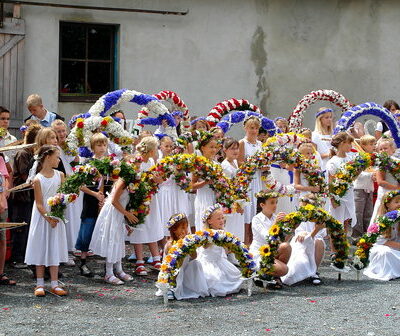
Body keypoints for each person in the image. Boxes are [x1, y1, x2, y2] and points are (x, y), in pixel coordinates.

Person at [24, 145, 68, 296]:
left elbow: (62, 196)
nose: (59, 159)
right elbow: (39, 203)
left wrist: (60, 211)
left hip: (56, 216)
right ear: (48, 157)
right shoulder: (38, 179)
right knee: (41, 247)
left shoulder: (60, 175)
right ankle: (40, 283)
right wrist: (48, 218)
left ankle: (55, 284)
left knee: (54, 247)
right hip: (43, 217)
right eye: (57, 156)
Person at [90, 174, 138, 285]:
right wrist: (127, 214)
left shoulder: (134, 182)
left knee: (118, 239)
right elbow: (114, 201)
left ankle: (119, 269)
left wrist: (127, 220)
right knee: (112, 239)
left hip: (120, 213)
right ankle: (109, 273)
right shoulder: (123, 181)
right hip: (113, 213)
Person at [128, 136, 164, 275]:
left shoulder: (150, 161)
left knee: (152, 224)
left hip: (151, 197)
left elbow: (157, 178)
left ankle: (155, 258)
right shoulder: (136, 160)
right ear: (150, 149)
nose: (157, 151)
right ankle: (139, 261)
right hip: (139, 198)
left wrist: (156, 179)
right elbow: (134, 180)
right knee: (139, 226)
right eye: (155, 148)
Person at [75, 133, 108, 277]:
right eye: (99, 145)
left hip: (107, 201)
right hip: (91, 200)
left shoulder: (110, 163)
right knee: (87, 230)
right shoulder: (87, 163)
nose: (102, 148)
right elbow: (80, 185)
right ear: (93, 147)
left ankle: (110, 264)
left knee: (106, 231)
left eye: (104, 145)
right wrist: (95, 194)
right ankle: (83, 262)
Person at [10, 124, 41, 269]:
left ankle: (24, 255)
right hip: (20, 196)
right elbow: (24, 175)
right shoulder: (23, 153)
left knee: (27, 225)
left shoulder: (32, 154)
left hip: (29, 196)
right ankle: (17, 257)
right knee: (20, 226)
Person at [156, 213, 208, 300]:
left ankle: (194, 287)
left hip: (185, 269)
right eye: (182, 227)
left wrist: (190, 245)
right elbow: (174, 261)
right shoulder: (170, 244)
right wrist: (181, 244)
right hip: (173, 271)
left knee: (196, 263)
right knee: (176, 269)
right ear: (174, 230)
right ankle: (171, 288)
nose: (185, 230)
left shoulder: (188, 240)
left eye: (186, 227)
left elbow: (194, 256)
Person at [197, 204, 243, 296]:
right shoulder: (206, 234)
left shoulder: (223, 232)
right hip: (208, 262)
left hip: (219, 260)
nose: (222, 220)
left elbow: (225, 251)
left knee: (236, 275)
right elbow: (205, 247)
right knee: (215, 279)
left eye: (222, 218)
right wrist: (212, 238)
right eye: (218, 219)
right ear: (209, 221)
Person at [281, 194, 326, 286]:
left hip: (314, 240)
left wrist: (312, 232)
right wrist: (302, 233)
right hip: (299, 241)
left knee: (319, 242)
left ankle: (314, 272)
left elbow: (320, 234)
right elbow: (297, 233)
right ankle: (299, 273)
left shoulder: (320, 217)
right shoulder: (298, 217)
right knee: (300, 255)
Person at [249, 191, 291, 289]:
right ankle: (261, 274)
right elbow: (268, 237)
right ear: (262, 205)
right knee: (284, 270)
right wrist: (276, 223)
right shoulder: (256, 219)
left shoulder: (275, 218)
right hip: (260, 253)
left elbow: (282, 240)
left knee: (286, 246)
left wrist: (292, 227)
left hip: (272, 251)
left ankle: (274, 277)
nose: (275, 205)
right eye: (272, 202)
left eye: (276, 202)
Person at [238, 116, 264, 245]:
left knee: (256, 210)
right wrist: (253, 165)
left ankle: (255, 242)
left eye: (256, 128)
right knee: (248, 212)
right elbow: (240, 161)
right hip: (247, 181)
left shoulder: (260, 144)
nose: (254, 131)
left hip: (258, 180)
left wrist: (263, 165)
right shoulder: (242, 143)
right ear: (245, 128)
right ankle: (246, 241)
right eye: (251, 128)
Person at [364, 191, 400, 281]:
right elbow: (380, 241)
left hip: (397, 247)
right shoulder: (381, 220)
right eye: (396, 202)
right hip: (382, 247)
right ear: (387, 204)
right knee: (386, 253)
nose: (399, 204)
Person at [327, 132, 357, 234]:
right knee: (336, 223)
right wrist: (333, 199)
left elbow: (352, 178)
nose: (351, 146)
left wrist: (360, 169)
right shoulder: (333, 161)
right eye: (349, 143)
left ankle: (343, 246)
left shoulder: (350, 158)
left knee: (345, 221)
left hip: (348, 193)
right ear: (341, 143)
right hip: (337, 195)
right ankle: (334, 247)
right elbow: (330, 182)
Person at [369, 137, 400, 227]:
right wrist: (396, 188)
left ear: (392, 149)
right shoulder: (381, 163)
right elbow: (380, 182)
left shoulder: (397, 161)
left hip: (397, 192)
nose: (383, 151)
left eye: (385, 148)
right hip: (386, 192)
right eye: (381, 149)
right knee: (382, 214)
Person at [192, 132, 218, 231]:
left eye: (215, 147)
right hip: (203, 198)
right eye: (211, 147)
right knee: (204, 227)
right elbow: (192, 185)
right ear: (203, 148)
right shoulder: (198, 164)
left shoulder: (216, 164)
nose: (214, 150)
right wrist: (205, 182)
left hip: (214, 197)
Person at [352, 135, 376, 239]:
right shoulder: (358, 157)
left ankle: (367, 234)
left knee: (368, 212)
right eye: (371, 144)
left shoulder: (373, 157)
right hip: (359, 188)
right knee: (358, 212)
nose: (374, 146)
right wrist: (371, 175)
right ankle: (356, 235)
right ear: (363, 145)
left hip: (369, 187)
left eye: (374, 144)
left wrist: (375, 176)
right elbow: (357, 173)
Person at [221, 137, 245, 241]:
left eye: (237, 148)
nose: (235, 151)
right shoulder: (225, 166)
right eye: (232, 149)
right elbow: (228, 189)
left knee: (238, 230)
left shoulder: (235, 162)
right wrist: (237, 204)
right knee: (231, 231)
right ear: (225, 150)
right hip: (230, 203)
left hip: (237, 200)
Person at [312, 107, 334, 172]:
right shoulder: (315, 135)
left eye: (330, 117)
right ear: (320, 119)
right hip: (323, 166)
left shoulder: (333, 134)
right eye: (326, 117)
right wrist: (328, 154)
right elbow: (313, 155)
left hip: (334, 165)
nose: (329, 119)